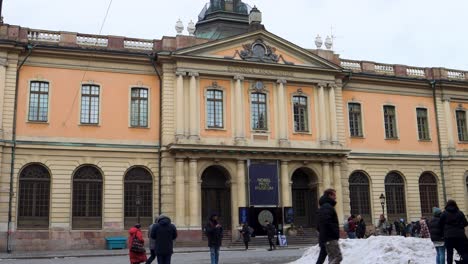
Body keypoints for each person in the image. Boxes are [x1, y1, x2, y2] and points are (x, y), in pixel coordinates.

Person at [316, 188, 342, 264]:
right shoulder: (327, 207)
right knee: (337, 257)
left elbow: (318, 225)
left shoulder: (324, 207)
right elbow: (326, 222)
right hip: (329, 238)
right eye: (334, 195)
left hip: (325, 237)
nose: (335, 197)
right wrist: (335, 232)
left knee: (326, 258)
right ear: (329, 195)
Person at [439, 200, 468, 264]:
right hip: (460, 236)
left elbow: (440, 224)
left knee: (449, 253)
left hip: (448, 236)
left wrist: (443, 234)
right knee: (463, 252)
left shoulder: (444, 213)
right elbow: (465, 223)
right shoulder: (460, 213)